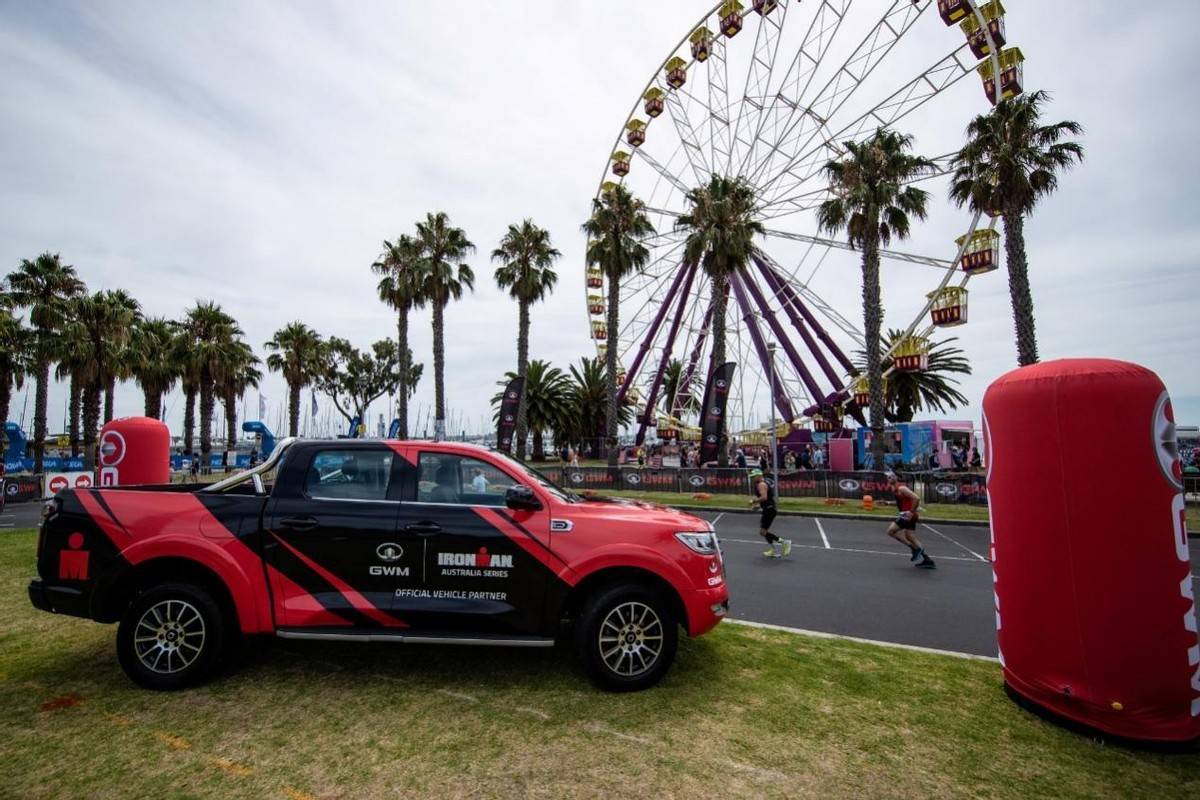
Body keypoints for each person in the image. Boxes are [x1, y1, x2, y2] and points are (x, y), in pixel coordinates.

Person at [885, 471, 935, 569]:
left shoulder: (901, 488)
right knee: (910, 536)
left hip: (907, 515)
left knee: (890, 531)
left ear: (896, 478)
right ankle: (927, 560)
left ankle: (913, 548)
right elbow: (903, 502)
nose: (889, 479)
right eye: (888, 478)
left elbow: (916, 498)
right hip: (909, 515)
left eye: (891, 477)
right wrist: (888, 503)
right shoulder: (895, 490)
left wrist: (911, 512)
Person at [749, 469, 790, 558]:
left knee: (763, 532)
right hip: (769, 508)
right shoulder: (764, 482)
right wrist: (759, 506)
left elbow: (764, 497)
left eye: (753, 477)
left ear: (758, 476)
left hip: (769, 510)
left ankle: (784, 542)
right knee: (763, 532)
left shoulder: (761, 484)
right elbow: (768, 498)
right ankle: (774, 550)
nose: (752, 479)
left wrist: (754, 501)